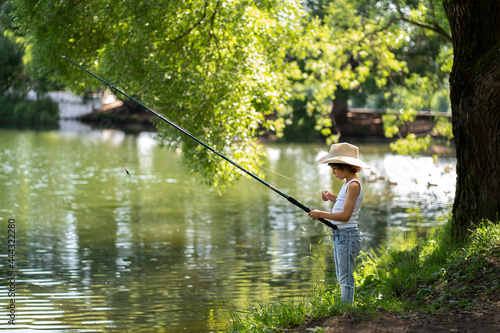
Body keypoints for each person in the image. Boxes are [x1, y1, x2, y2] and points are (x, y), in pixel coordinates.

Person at [308, 143, 370, 304]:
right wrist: (331, 197)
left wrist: (320, 214)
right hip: (340, 234)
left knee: (345, 279)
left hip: (347, 236)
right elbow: (344, 203)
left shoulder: (354, 185)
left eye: (336, 169)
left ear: (347, 167)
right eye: (333, 169)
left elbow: (345, 215)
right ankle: (344, 311)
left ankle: (345, 313)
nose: (334, 173)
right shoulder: (348, 184)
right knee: (341, 276)